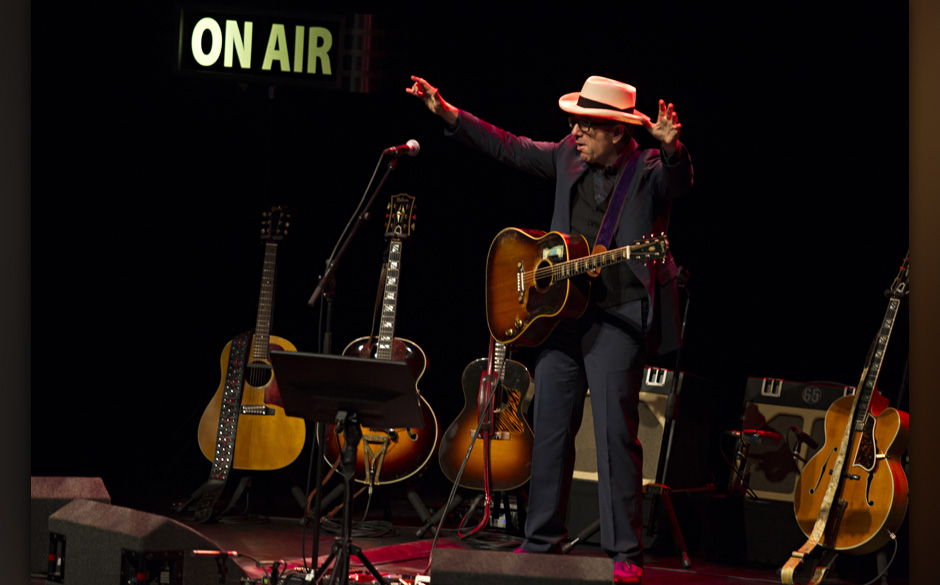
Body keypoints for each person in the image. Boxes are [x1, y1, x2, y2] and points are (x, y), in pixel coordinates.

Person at [407, 74, 693, 584]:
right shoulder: (567, 155)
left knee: (613, 434)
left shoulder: (647, 169)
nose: (574, 129)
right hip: (563, 315)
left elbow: (677, 182)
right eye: (575, 121)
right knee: (551, 428)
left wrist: (673, 151)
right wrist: (449, 114)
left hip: (618, 316)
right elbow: (510, 147)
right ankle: (541, 542)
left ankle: (625, 551)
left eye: (586, 123)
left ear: (617, 131)